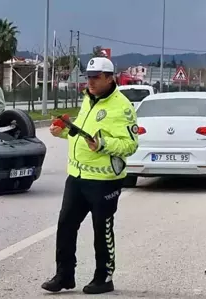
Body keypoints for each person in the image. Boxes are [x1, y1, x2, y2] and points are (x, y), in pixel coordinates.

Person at [41, 57, 138, 294]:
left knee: (101, 229)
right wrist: (63, 132)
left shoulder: (122, 107)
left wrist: (104, 144)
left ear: (109, 77)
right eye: (88, 76)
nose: (90, 81)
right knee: (65, 226)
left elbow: (130, 144)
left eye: (96, 77)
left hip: (104, 181)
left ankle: (104, 278)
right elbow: (82, 136)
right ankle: (64, 275)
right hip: (77, 176)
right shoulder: (88, 99)